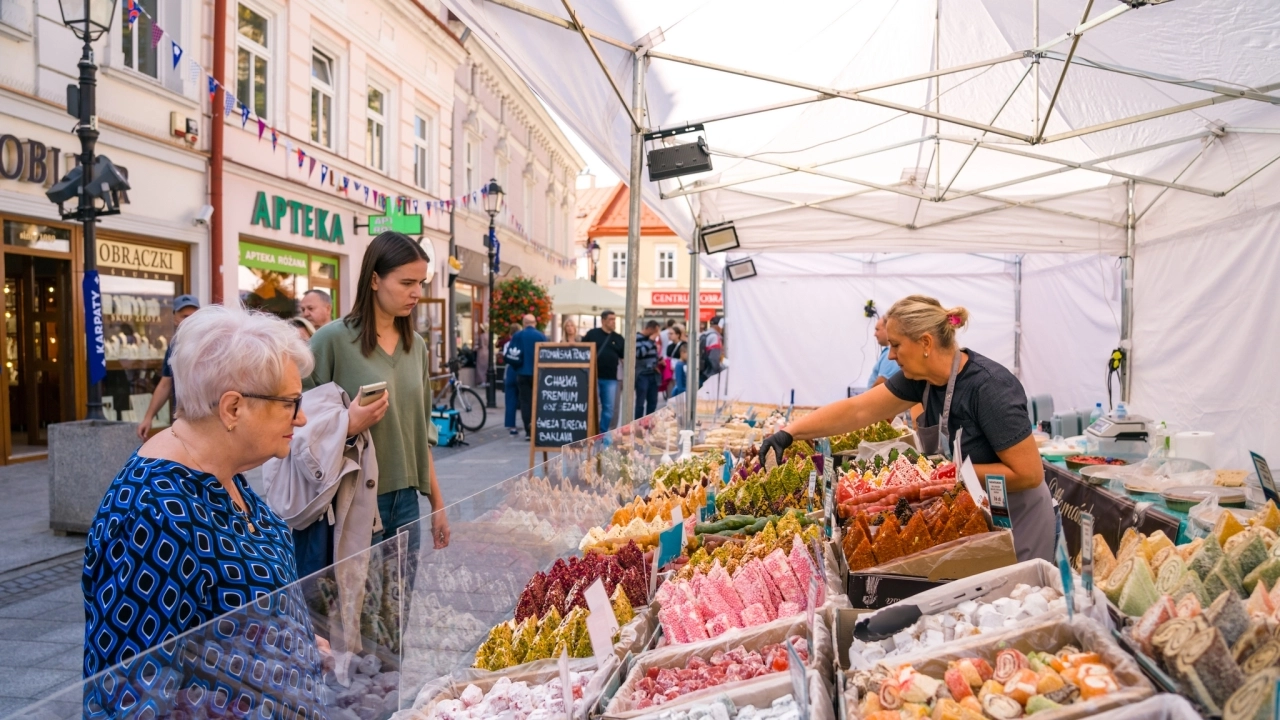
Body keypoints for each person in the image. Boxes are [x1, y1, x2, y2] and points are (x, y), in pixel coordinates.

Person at [83, 305, 322, 713]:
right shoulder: (156, 512)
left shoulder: (220, 468)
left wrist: (297, 641)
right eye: (290, 402)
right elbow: (128, 697)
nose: (301, 418)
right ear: (232, 408)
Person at [759, 295, 1055, 563]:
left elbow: (1028, 474)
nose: (889, 356)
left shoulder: (989, 387)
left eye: (896, 345)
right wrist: (791, 432)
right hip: (975, 507)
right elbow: (858, 409)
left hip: (1016, 514)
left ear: (925, 343)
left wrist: (944, 474)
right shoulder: (920, 381)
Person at [308, 231, 449, 550]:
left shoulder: (418, 348)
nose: (416, 293)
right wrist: (347, 424)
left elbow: (421, 433)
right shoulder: (330, 341)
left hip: (407, 501)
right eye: (406, 283)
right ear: (374, 280)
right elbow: (296, 423)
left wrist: (437, 504)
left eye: (421, 283)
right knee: (358, 601)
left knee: (398, 601)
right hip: (351, 501)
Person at [135, 294, 200, 441]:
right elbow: (165, 384)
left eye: (194, 316)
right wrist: (148, 418)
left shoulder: (212, 344)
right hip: (182, 423)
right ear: (175, 318)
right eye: (185, 316)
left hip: (209, 424)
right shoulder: (174, 346)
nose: (190, 320)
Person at [583, 310, 625, 431]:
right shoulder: (592, 334)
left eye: (614, 319)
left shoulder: (618, 338)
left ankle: (602, 433)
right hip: (592, 377)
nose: (613, 322)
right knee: (592, 407)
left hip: (610, 378)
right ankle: (591, 431)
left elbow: (623, 358)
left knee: (609, 408)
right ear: (603, 321)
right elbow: (583, 351)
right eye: (611, 319)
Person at [510, 314, 548, 438]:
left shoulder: (517, 335)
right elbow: (547, 354)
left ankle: (528, 431)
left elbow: (511, 354)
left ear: (524, 322)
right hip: (538, 373)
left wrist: (517, 368)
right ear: (535, 323)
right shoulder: (541, 336)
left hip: (522, 373)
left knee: (525, 402)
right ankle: (537, 429)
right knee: (538, 402)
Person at [634, 320, 661, 418]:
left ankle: (649, 424)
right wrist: (650, 341)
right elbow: (639, 354)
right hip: (642, 374)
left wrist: (659, 360)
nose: (657, 334)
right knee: (640, 402)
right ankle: (638, 425)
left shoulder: (651, 340)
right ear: (649, 329)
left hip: (653, 373)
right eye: (656, 332)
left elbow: (652, 355)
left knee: (653, 402)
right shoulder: (637, 338)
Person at [867, 314, 901, 387]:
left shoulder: (890, 354)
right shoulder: (888, 352)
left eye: (877, 329)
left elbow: (880, 384)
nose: (874, 334)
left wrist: (863, 398)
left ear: (888, 328)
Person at [501, 322, 522, 436]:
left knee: (510, 399)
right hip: (521, 371)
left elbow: (506, 358)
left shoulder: (507, 344)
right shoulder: (522, 343)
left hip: (510, 372)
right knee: (524, 399)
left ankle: (511, 426)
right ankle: (527, 424)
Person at [698, 316, 725, 387]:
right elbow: (714, 358)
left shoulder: (704, 335)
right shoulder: (715, 337)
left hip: (702, 371)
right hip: (711, 374)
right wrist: (719, 370)